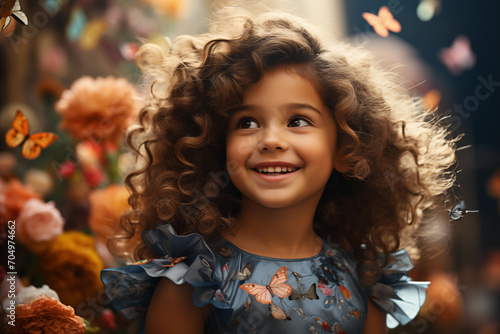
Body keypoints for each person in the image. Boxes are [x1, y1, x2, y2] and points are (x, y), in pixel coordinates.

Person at [100, 8, 457, 334]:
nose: (271, 139)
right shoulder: (192, 282)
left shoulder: (365, 280)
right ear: (214, 146)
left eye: (298, 120)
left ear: (347, 148)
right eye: (248, 122)